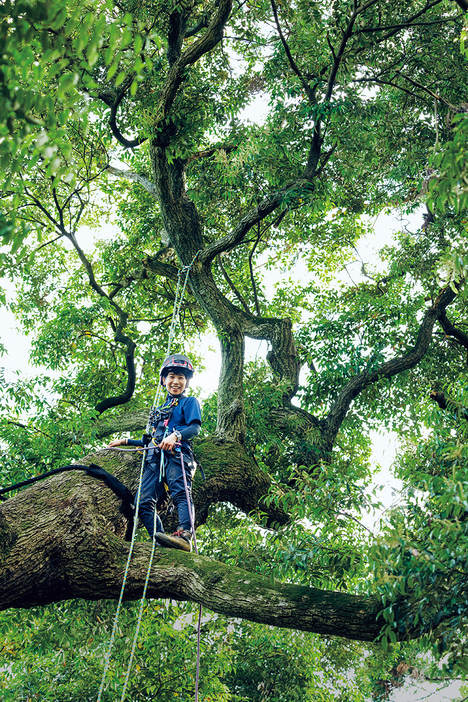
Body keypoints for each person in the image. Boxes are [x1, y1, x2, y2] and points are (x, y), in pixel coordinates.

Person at [108, 354, 201, 552]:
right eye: (172, 376)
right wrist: (125, 441)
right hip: (154, 459)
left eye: (181, 378)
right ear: (163, 380)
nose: (176, 381)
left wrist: (176, 436)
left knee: (180, 492)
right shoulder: (160, 409)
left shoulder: (189, 402)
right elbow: (151, 439)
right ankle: (160, 541)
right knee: (141, 502)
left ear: (186, 382)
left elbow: (194, 428)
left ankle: (185, 536)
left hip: (177, 454)